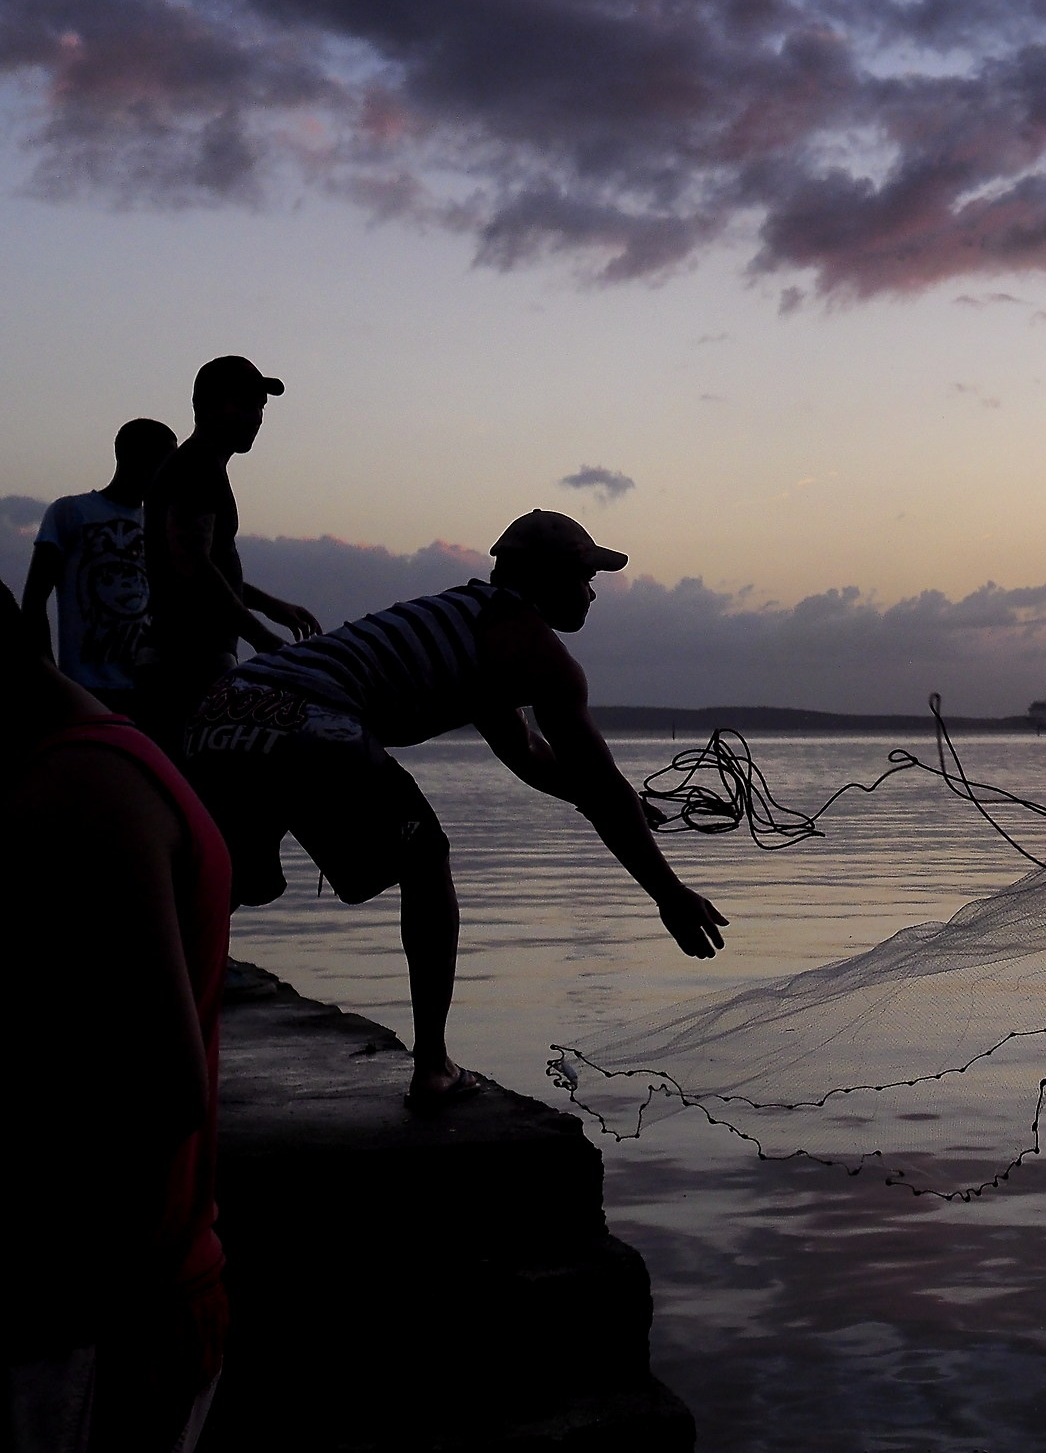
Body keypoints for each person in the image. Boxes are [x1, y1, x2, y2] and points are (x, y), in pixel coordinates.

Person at [183, 509, 726, 1107]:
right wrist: (669, 894)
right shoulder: (536, 651)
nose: (593, 591)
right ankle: (433, 1065)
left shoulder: (472, 623)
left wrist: (623, 801)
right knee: (425, 857)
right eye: (584, 575)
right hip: (309, 719)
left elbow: (533, 757)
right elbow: (593, 780)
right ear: (547, 578)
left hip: (220, 710)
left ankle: (152, 1026)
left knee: (231, 882)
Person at [0, 583, 230, 1453]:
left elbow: (161, 1084)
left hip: (85, 1324)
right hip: (121, 1306)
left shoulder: (79, 793)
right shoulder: (96, 766)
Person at [139, 357, 320, 759]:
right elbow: (192, 564)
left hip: (185, 661)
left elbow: (203, 562)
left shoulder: (198, 465)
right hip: (187, 664)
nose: (258, 418)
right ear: (216, 405)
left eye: (261, 408)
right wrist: (262, 638)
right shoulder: (198, 464)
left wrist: (272, 606)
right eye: (249, 406)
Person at [21, 419, 179, 714]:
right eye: (165, 462)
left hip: (145, 689)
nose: (170, 475)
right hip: (83, 688)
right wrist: (49, 673)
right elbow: (33, 600)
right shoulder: (70, 512)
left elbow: (200, 574)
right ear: (133, 457)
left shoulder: (161, 527)